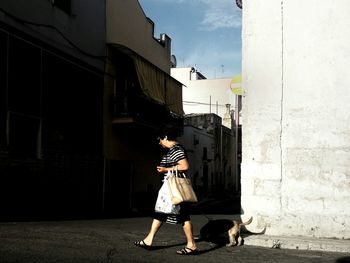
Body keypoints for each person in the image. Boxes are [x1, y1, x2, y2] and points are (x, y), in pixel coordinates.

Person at [134, 128, 199, 255]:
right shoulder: (171, 150)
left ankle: (192, 245)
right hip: (169, 188)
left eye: (159, 139)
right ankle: (148, 240)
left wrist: (165, 169)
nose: (159, 142)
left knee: (183, 215)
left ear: (165, 137)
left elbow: (184, 166)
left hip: (176, 189)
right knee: (160, 213)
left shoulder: (176, 149)